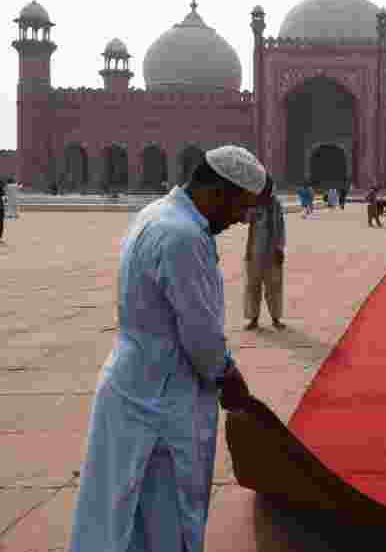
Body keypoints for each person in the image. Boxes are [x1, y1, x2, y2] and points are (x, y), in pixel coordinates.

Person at [68, 145, 266, 552]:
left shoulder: (157, 214)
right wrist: (227, 376)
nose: (241, 219)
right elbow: (201, 335)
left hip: (134, 384)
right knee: (164, 514)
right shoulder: (184, 236)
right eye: (241, 207)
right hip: (162, 398)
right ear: (219, 191)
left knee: (120, 512)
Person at [244, 175, 286, 330]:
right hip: (255, 249)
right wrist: (248, 250)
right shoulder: (254, 204)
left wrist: (280, 249)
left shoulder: (276, 205)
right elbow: (247, 223)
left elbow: (281, 228)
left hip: (272, 250)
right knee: (253, 285)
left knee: (274, 286)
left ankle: (275, 318)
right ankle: (253, 318)